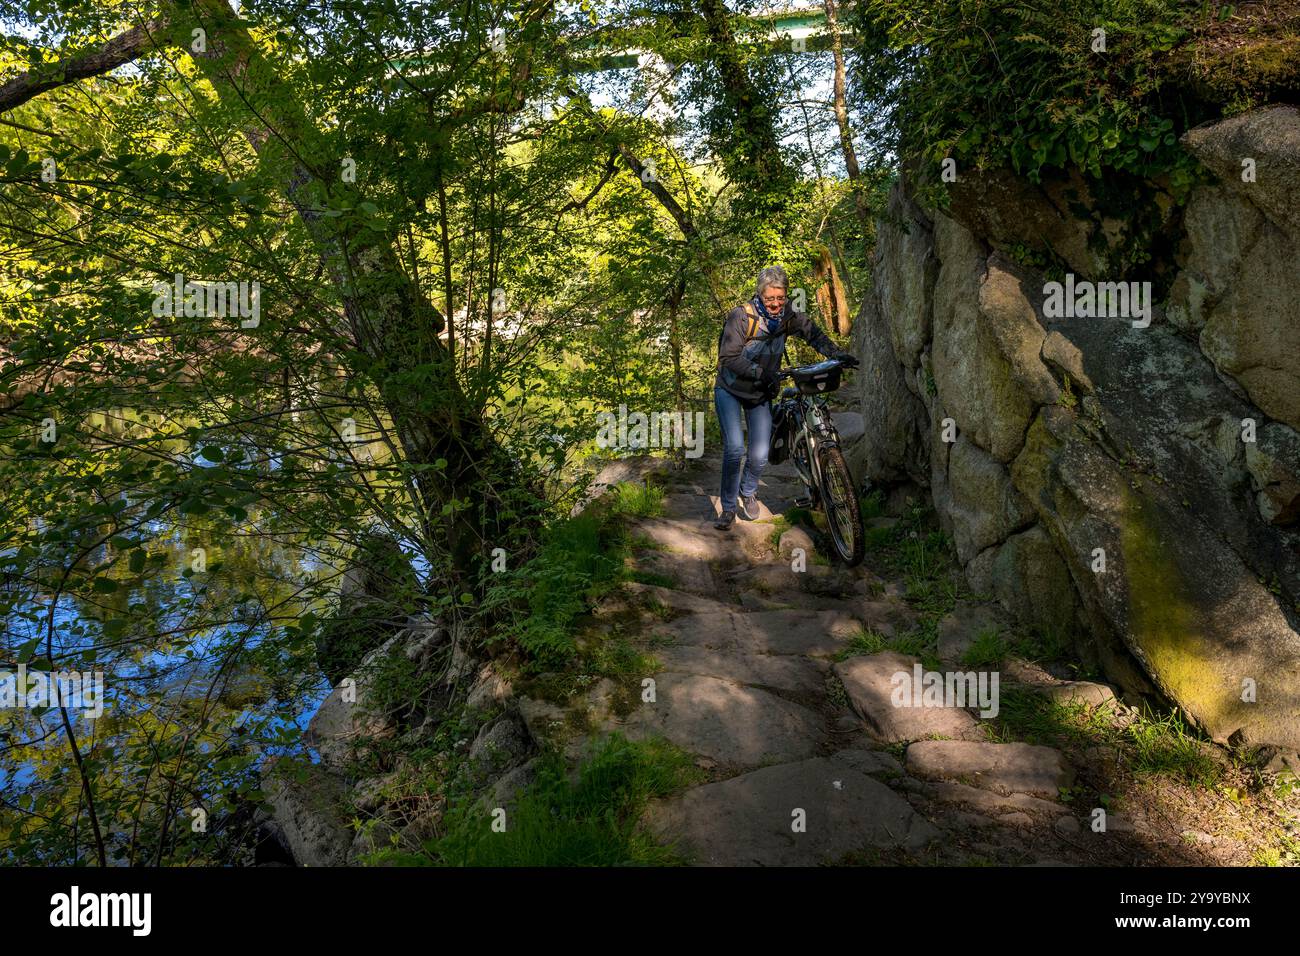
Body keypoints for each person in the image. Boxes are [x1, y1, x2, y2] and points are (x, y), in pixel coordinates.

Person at [713, 265, 858, 530]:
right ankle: (728, 508)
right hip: (729, 390)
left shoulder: (789, 316)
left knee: (759, 454)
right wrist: (761, 372)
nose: (776, 303)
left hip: (759, 393)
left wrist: (837, 354)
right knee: (735, 448)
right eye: (770, 298)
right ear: (760, 295)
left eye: (781, 297)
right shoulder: (741, 317)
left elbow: (813, 334)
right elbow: (728, 358)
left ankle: (748, 490)